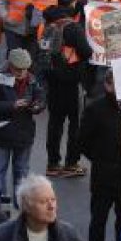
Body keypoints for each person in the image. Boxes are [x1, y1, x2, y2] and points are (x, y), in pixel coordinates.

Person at [0, 48, 46, 206]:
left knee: (22, 171)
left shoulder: (32, 80)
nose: (22, 72)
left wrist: (37, 106)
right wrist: (12, 105)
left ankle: (20, 204)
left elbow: (41, 98)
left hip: (24, 134)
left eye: (25, 69)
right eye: (18, 69)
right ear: (10, 65)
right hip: (3, 133)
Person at [77, 70, 121, 241]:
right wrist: (100, 158)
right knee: (99, 220)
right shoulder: (96, 109)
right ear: (108, 85)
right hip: (103, 176)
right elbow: (82, 141)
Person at [42, 13, 92, 178]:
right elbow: (86, 52)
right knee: (75, 124)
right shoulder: (74, 29)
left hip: (53, 83)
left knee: (55, 123)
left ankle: (52, 164)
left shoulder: (49, 27)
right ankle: (71, 163)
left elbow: (42, 51)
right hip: (72, 82)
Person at [0, 175, 83, 241]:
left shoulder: (69, 237)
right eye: (43, 202)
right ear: (26, 206)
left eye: (53, 200)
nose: (51, 206)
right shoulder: (2, 237)